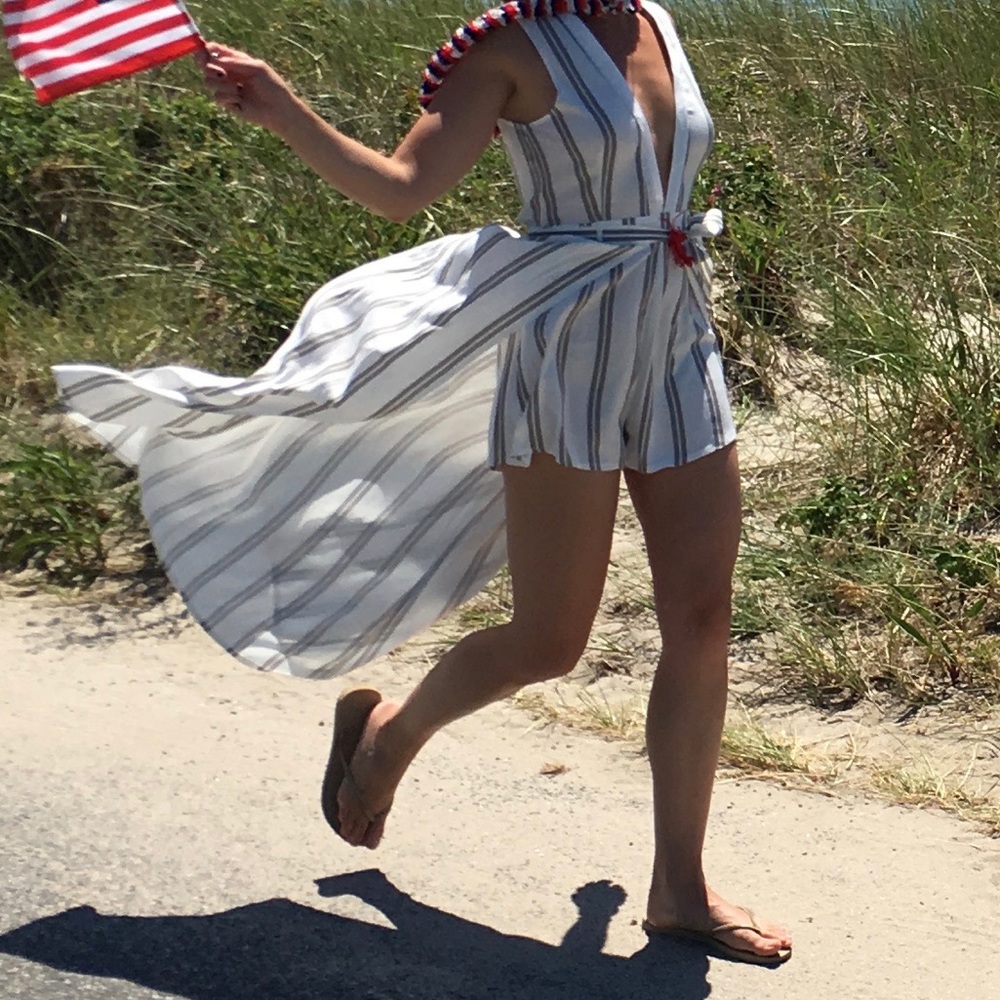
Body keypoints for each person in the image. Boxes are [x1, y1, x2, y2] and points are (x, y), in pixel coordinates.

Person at [55, 0, 792, 967]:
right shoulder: (508, 45)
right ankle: (389, 734)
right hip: (566, 354)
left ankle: (680, 889)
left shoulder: (652, 20)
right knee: (550, 641)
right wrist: (283, 109)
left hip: (676, 341)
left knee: (700, 618)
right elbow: (404, 188)